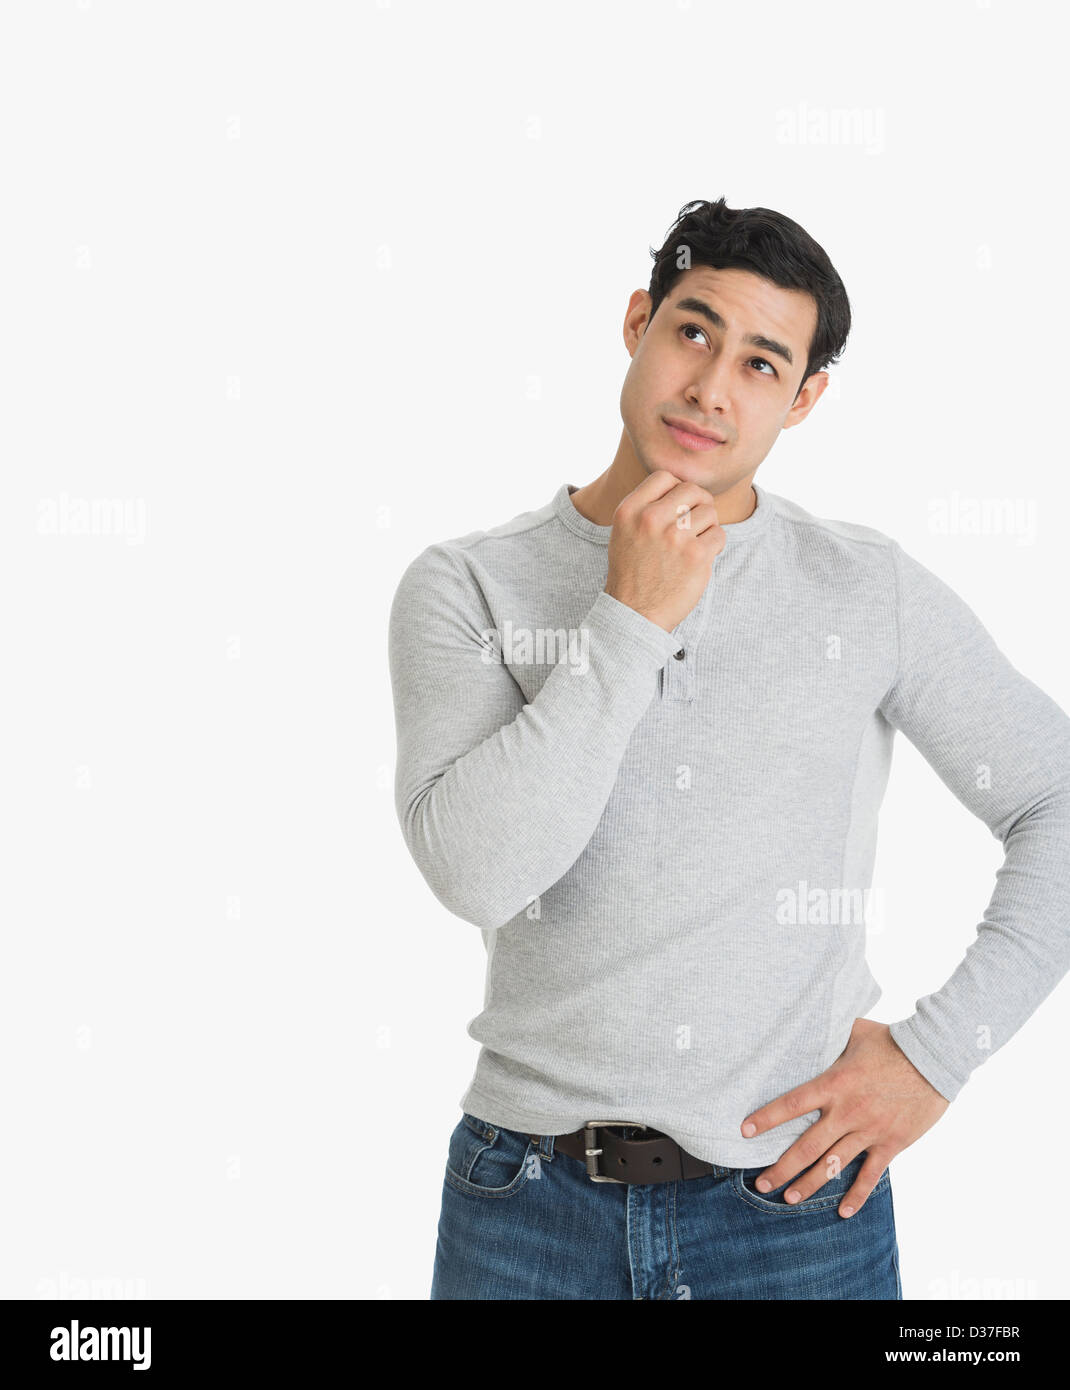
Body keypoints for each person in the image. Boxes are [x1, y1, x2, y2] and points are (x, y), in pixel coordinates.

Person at [387, 197, 1070, 1300]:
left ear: (802, 400)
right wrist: (629, 622)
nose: (710, 387)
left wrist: (934, 1058)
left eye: (760, 363)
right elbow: (476, 874)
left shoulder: (864, 588)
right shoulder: (467, 584)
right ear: (635, 324)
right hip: (524, 1210)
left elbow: (1053, 796)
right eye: (693, 331)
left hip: (794, 1210)